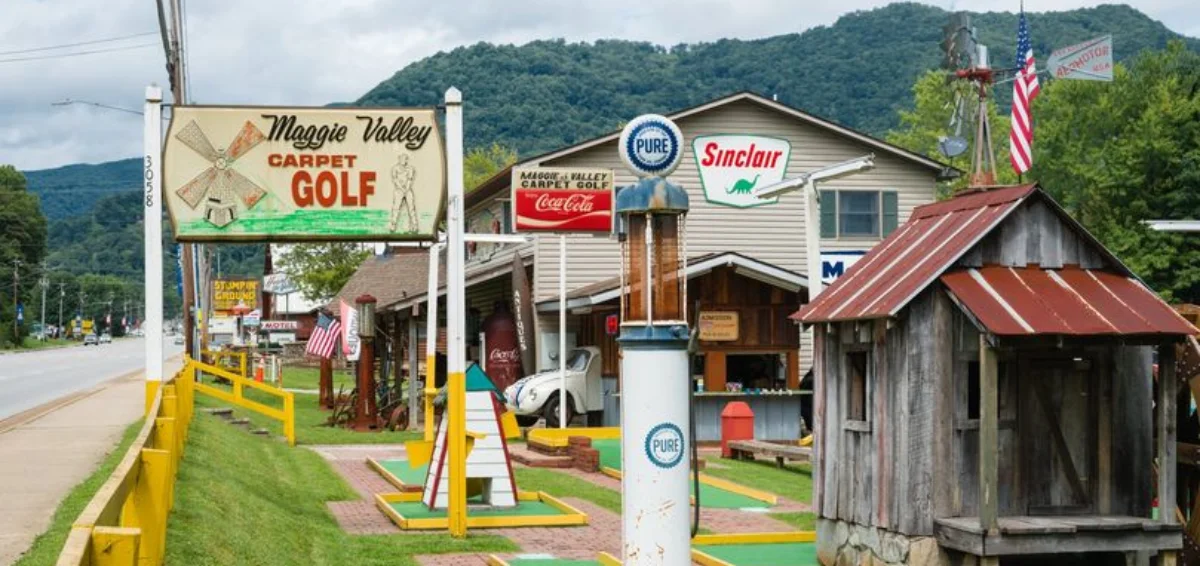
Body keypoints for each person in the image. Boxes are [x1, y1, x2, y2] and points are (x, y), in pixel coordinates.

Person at [389, 153, 417, 233]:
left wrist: (406, 189)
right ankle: (393, 225)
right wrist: (402, 189)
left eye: (405, 159)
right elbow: (395, 180)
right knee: (396, 208)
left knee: (411, 208)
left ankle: (414, 226)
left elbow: (410, 180)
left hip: (408, 190)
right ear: (399, 159)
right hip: (398, 190)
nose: (403, 160)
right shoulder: (395, 168)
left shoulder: (410, 168)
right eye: (402, 158)